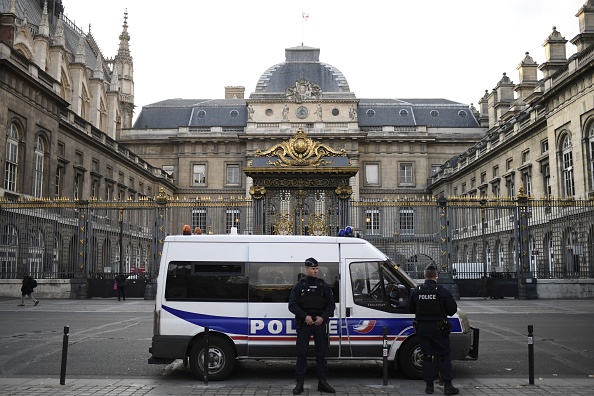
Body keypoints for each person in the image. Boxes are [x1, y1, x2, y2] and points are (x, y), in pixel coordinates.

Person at [409, 264, 459, 395]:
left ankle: (429, 386)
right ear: (436, 276)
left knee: (426, 357)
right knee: (444, 356)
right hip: (439, 329)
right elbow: (452, 310)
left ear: (424, 276)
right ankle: (448, 386)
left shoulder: (417, 291)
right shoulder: (441, 291)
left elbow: (411, 309)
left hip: (423, 328)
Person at [288, 257, 336, 394]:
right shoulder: (299, 286)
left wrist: (323, 317)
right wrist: (305, 316)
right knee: (301, 354)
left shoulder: (323, 286)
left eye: (316, 268)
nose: (315, 271)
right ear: (306, 269)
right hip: (304, 324)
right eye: (313, 269)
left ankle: (322, 382)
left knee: (321, 354)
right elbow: (292, 305)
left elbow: (330, 304)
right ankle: (299, 383)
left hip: (319, 324)